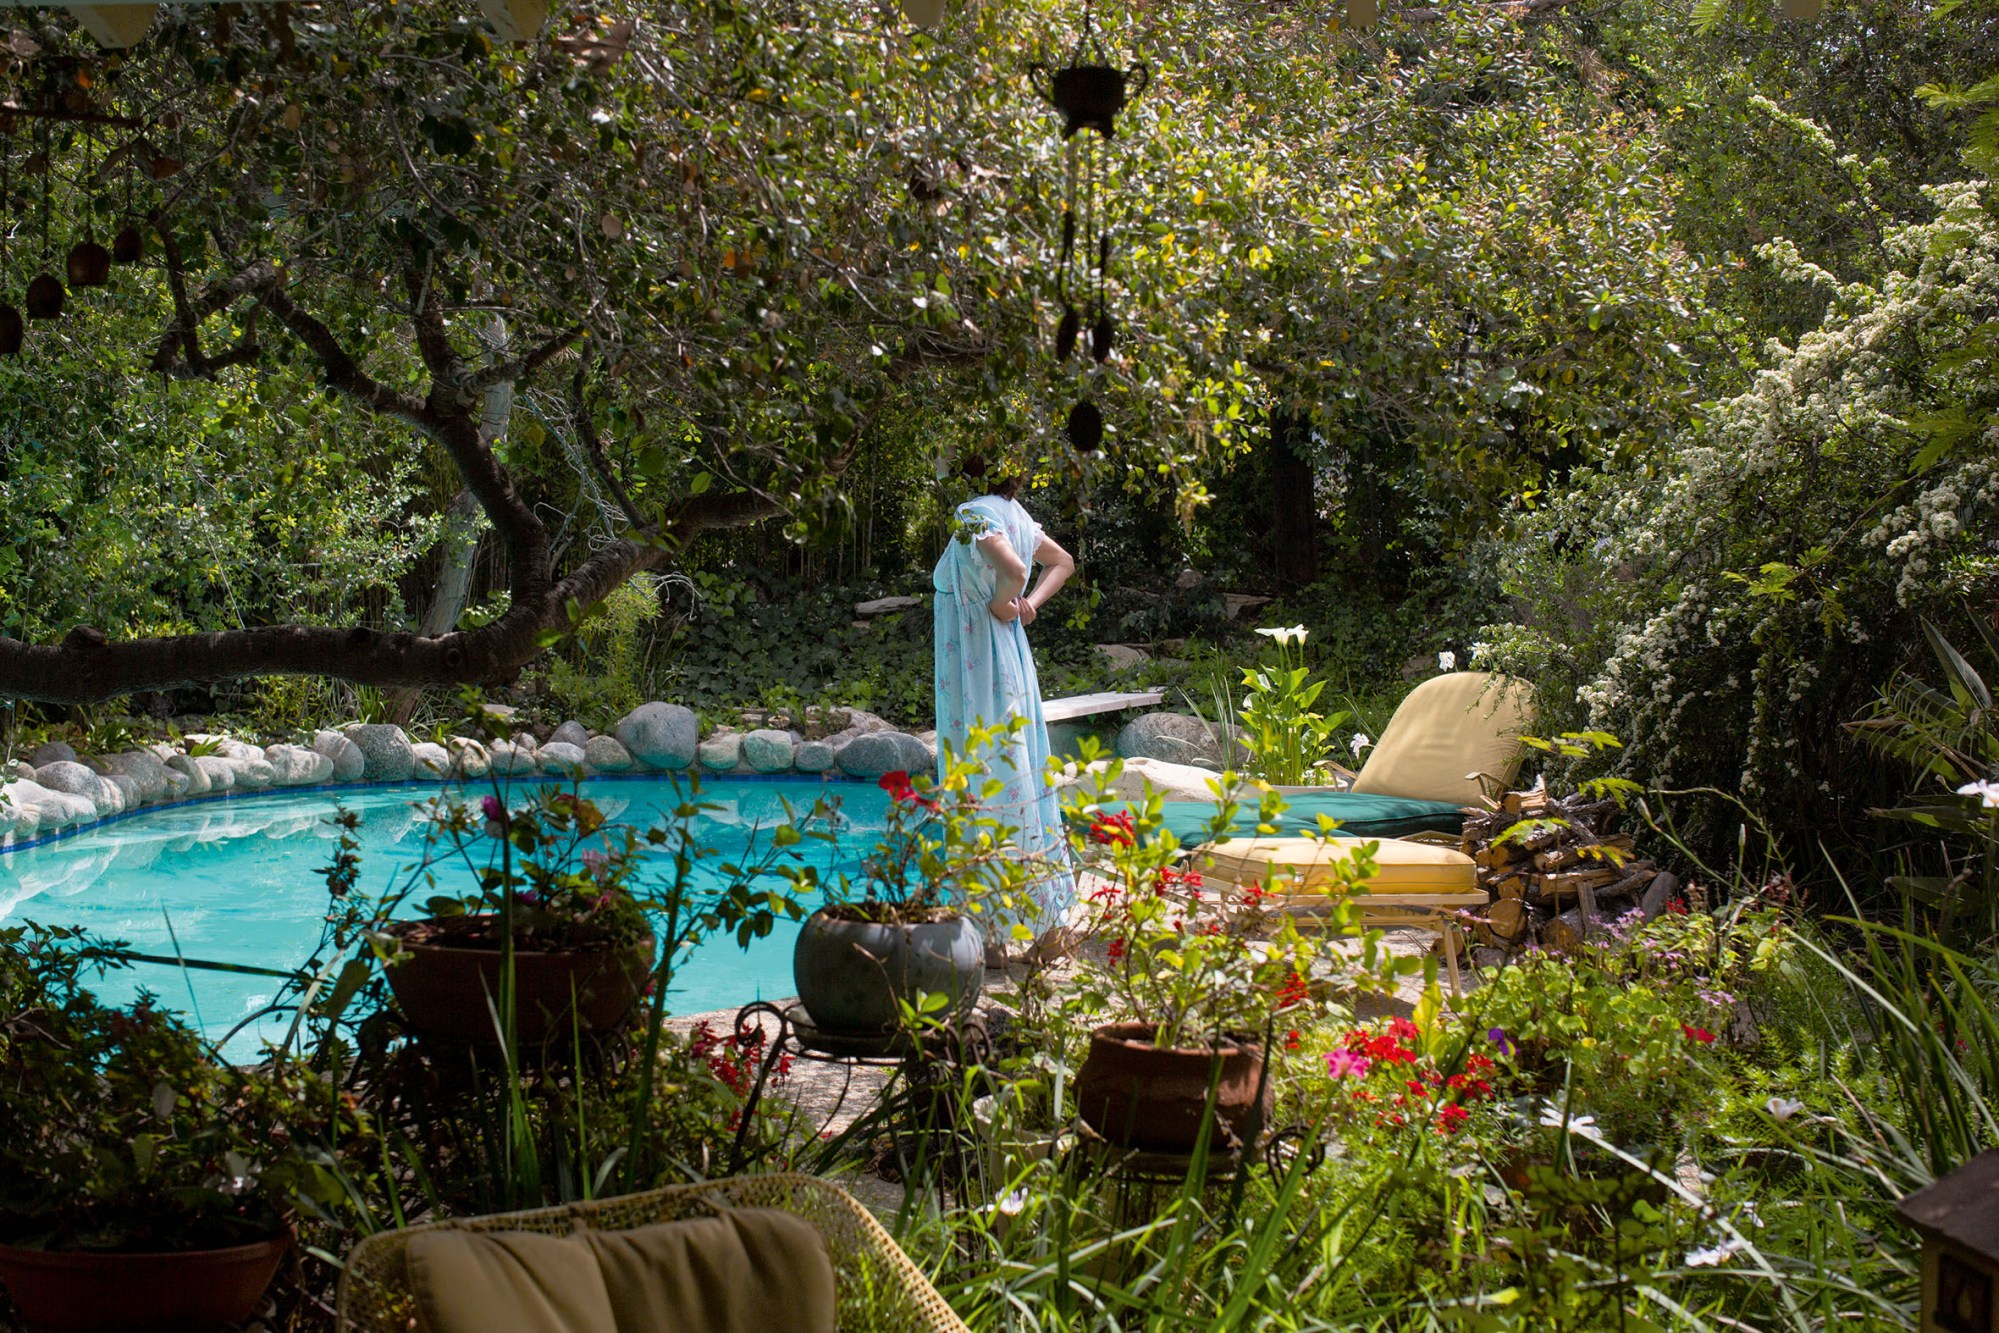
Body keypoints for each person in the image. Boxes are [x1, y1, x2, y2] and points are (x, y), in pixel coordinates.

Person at [932, 456, 1077, 964]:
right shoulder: (1014, 515)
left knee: (984, 779)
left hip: (977, 671)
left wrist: (1006, 598)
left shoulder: (972, 514)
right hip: (1007, 664)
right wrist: (1029, 603)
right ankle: (1032, 930)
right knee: (1020, 777)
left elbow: (1013, 569)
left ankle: (992, 932)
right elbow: (1063, 563)